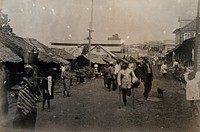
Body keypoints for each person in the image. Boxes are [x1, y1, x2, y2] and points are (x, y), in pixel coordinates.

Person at [13, 64, 39, 130]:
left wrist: (27, 81)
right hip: (21, 106)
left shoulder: (34, 78)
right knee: (16, 123)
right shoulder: (23, 78)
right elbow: (22, 88)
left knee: (29, 126)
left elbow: (33, 88)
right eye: (26, 69)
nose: (27, 71)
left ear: (31, 70)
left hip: (31, 106)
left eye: (29, 69)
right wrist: (18, 92)